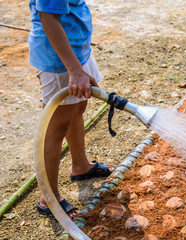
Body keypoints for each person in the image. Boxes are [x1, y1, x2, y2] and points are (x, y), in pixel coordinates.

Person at [28, 0, 115, 219]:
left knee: (77, 108)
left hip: (74, 49)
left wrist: (77, 64)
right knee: (56, 126)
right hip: (58, 59)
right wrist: (74, 69)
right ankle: (49, 197)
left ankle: (80, 165)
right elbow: (47, 16)